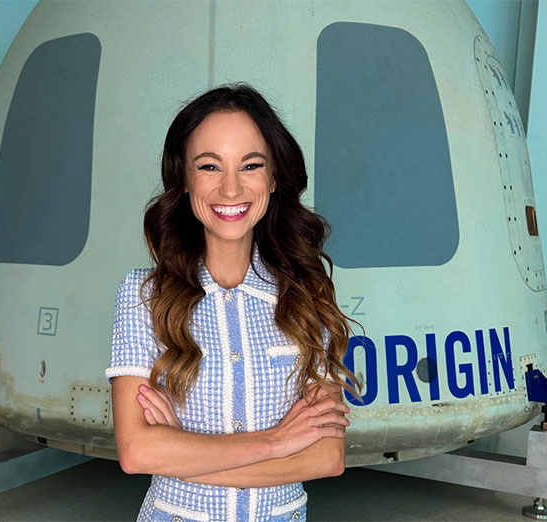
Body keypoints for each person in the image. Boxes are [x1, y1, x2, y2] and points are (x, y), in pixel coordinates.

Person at [105, 84, 363, 522]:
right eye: (209, 166)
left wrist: (184, 455)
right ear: (184, 180)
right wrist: (278, 442)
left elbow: (326, 457)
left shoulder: (307, 295)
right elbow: (136, 451)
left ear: (274, 178)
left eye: (250, 165)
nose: (230, 189)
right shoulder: (144, 296)